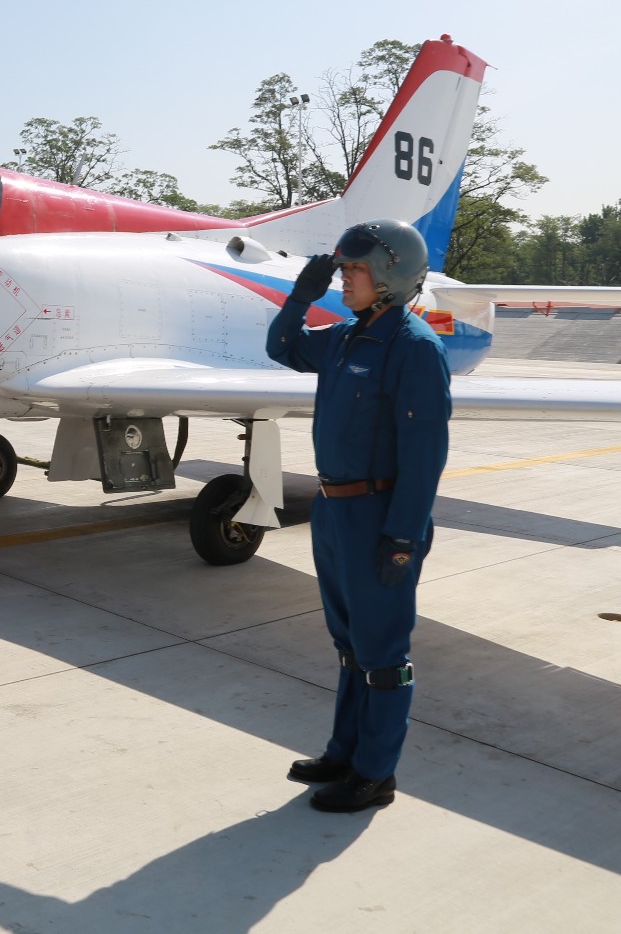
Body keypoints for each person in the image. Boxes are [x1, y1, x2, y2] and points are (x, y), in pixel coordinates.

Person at [266, 219, 451, 813]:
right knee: (349, 646)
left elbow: (425, 458)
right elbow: (282, 348)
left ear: (390, 276)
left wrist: (402, 535)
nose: (344, 279)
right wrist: (300, 296)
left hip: (379, 516)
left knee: (382, 653)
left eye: (353, 270)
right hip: (333, 511)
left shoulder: (414, 347)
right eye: (343, 270)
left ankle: (375, 774)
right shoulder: (347, 338)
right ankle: (344, 753)